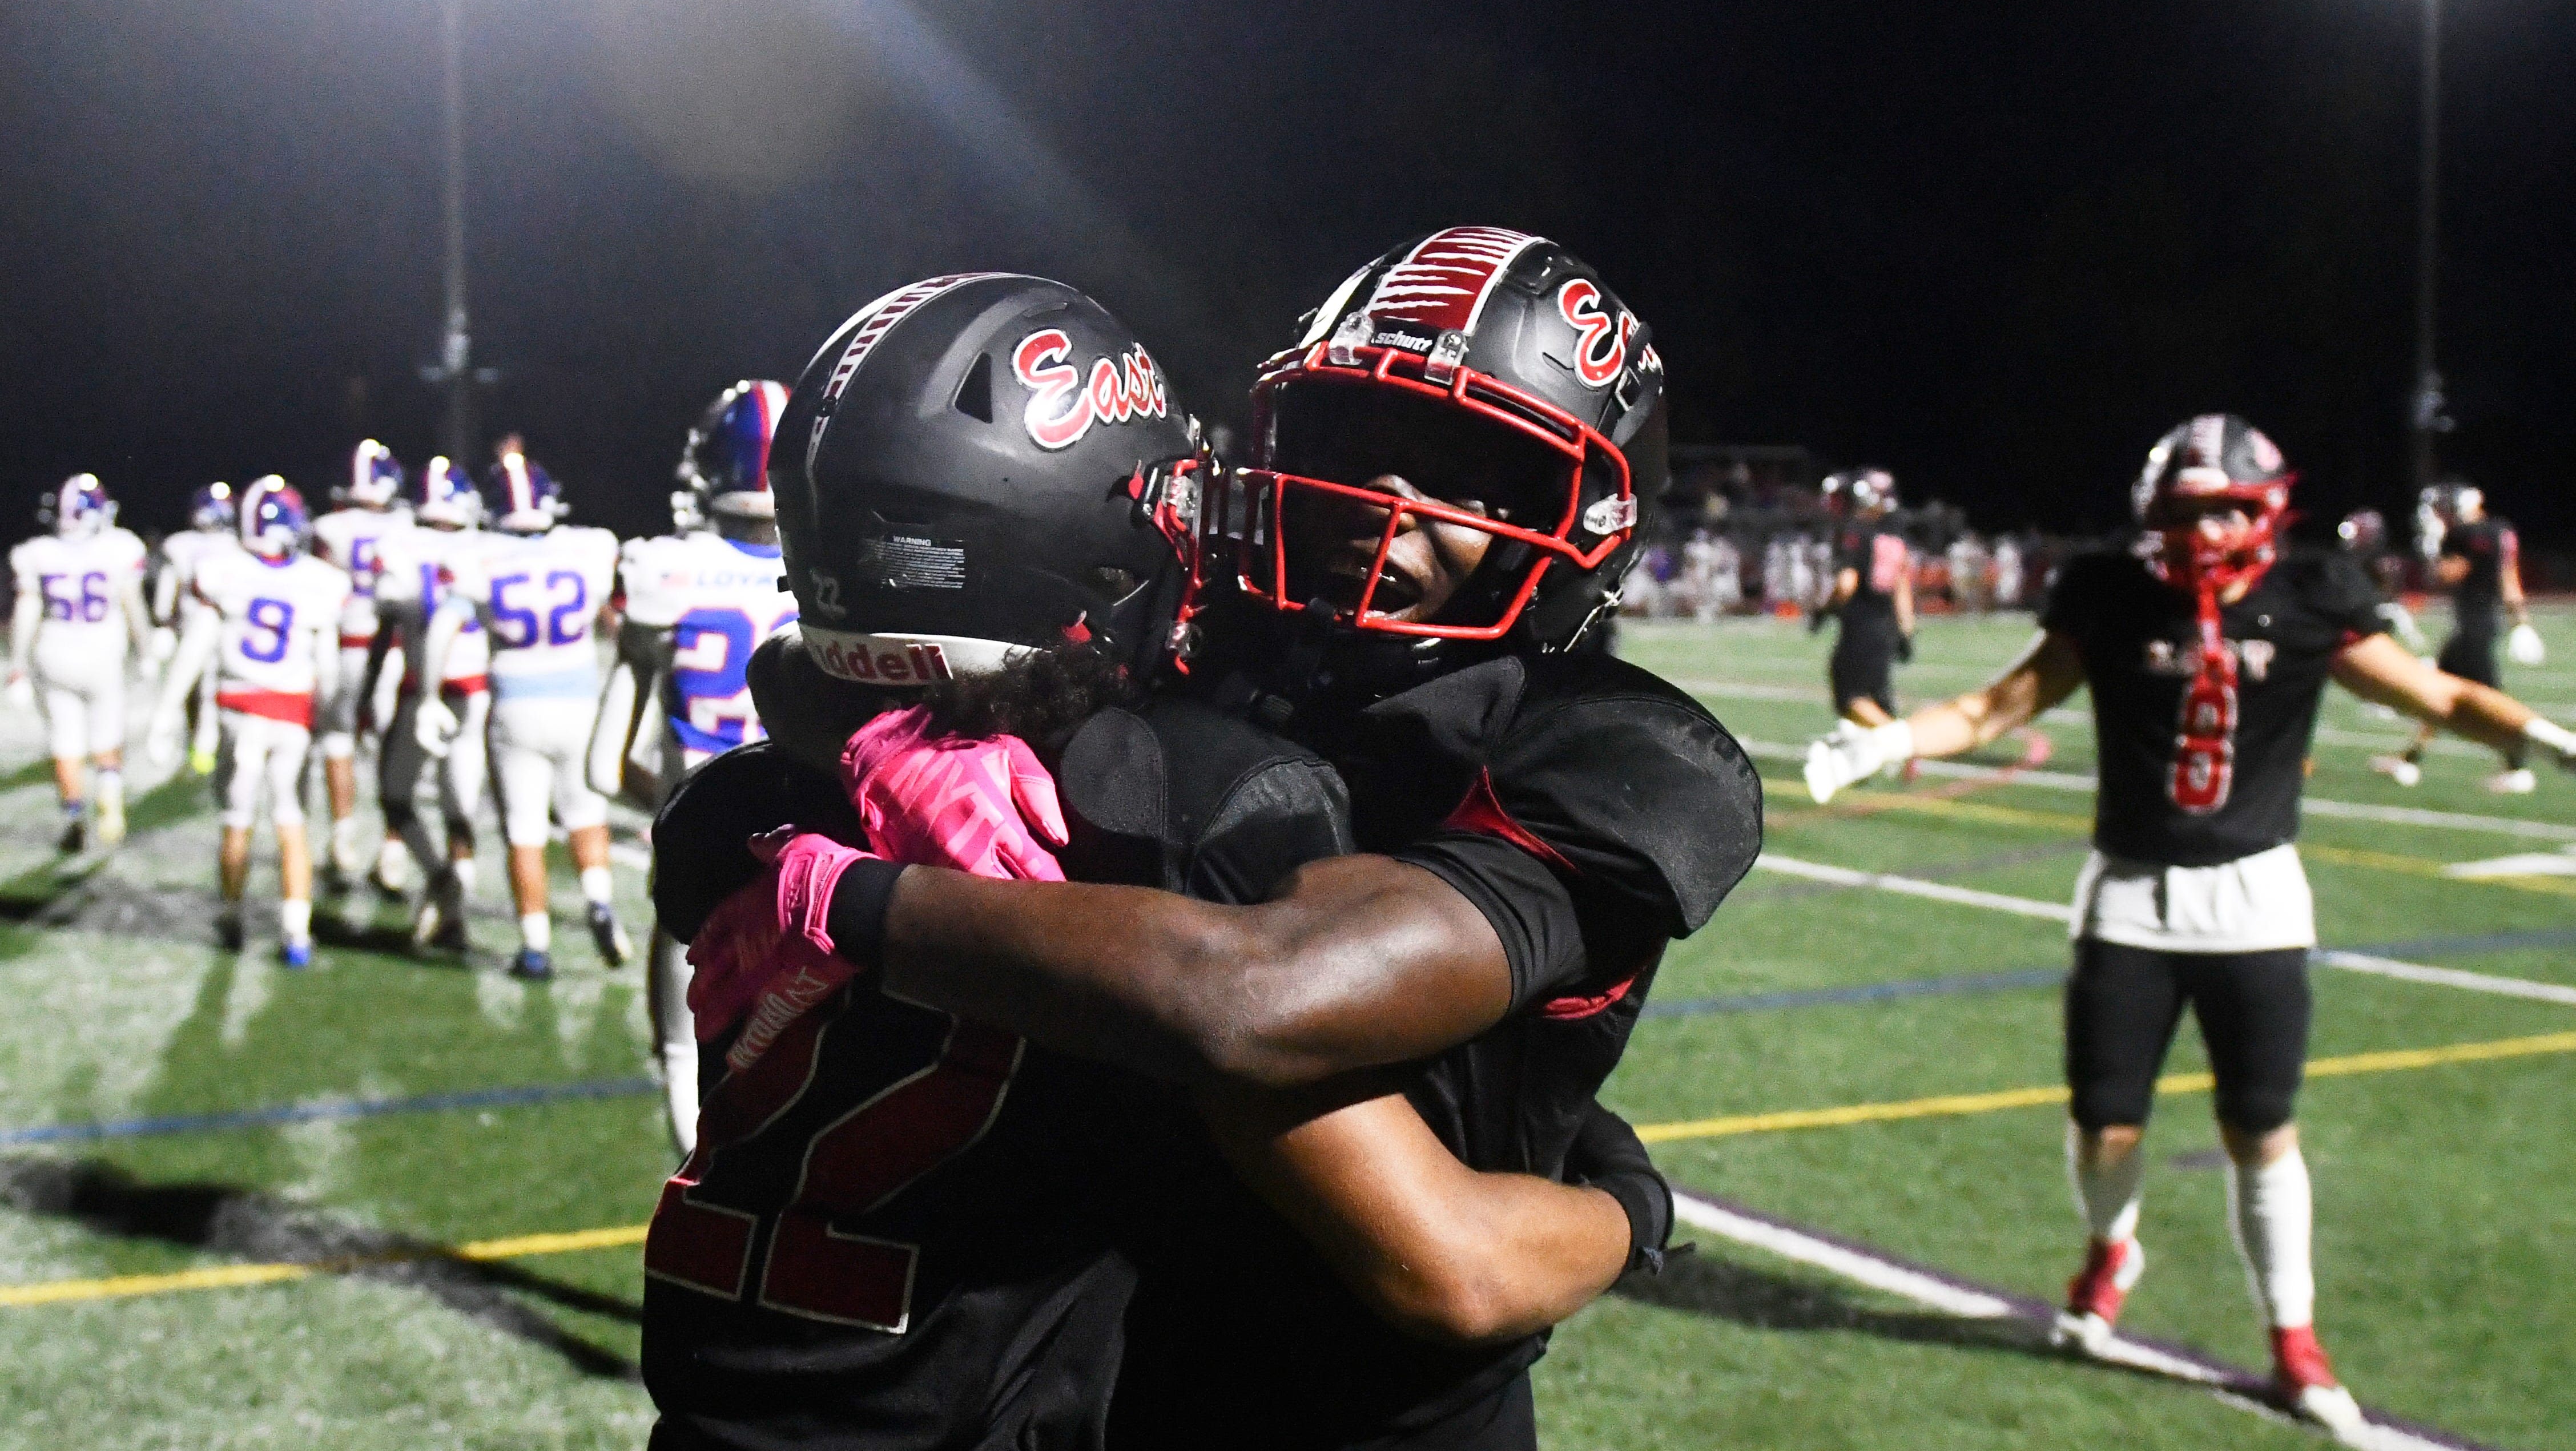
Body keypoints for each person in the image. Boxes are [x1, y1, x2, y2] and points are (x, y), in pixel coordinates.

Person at [678, 233, 1756, 1447]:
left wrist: (847, 888)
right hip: (1123, 1377)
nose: (1384, 502)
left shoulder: (1621, 754)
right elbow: (837, 656)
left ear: (1591, 515)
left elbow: (1267, 1012)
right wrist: (895, 736)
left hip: (1370, 1413)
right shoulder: (1223, 646)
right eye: (1356, 441)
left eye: (1464, 471)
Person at [1800, 414, 2576, 1433]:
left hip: (2255, 899)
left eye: (2224, 510)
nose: (2205, 532)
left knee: (2260, 1131)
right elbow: (2001, 704)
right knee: (2103, 1124)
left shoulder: (2309, 594)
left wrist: (2553, 740)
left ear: (2264, 511)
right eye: (2184, 513)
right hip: (2128, 893)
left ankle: (2293, 1338)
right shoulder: (2109, 592)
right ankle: (2109, 1249)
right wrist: (1889, 741)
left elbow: (2431, 689)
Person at [593, 380, 798, 1155]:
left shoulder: (662, 571)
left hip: (702, 852)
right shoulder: (827, 574)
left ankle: (704, 1195)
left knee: (685, 1055)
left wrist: (679, 798)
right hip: (812, 854)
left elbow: (602, 766)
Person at [417, 454, 626, 978]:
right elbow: (613, 617)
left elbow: (444, 626)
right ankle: (599, 901)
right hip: (579, 699)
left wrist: (427, 695)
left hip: (515, 700)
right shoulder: (589, 545)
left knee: (524, 829)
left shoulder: (477, 556)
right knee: (586, 813)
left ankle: (536, 947)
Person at [149, 479, 352, 965]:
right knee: (292, 820)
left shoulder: (224, 573)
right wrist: (330, 717)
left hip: (239, 712)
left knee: (237, 819)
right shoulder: (320, 580)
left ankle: (232, 914)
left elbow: (196, 648)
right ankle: (296, 932)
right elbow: (328, 667)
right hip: (291, 714)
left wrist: (165, 712)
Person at [368, 458, 493, 920]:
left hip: (419, 689)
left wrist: (367, 691)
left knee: (395, 797)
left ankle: (440, 880)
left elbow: (388, 627)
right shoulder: (485, 547)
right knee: (459, 805)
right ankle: (453, 907)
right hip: (477, 690)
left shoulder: (399, 544)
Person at [8, 475, 155, 850]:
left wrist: (18, 665)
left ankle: (74, 815)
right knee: (107, 731)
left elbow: (27, 611)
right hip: (103, 652)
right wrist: (147, 648)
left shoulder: (37, 552)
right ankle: (109, 787)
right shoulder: (120, 547)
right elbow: (132, 604)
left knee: (65, 739)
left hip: (54, 653)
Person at [2370, 478, 2545, 792]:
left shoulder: (2467, 535)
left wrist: (2432, 546)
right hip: (2483, 623)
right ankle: (2410, 760)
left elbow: (2446, 575)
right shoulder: (2500, 530)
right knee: (2437, 696)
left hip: (2473, 627)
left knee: (2490, 704)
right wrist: (2521, 622)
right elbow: (2509, 577)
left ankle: (2518, 768)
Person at [309, 440, 410, 889]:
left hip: (346, 647)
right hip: (394, 652)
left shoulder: (330, 527)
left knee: (338, 741)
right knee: (395, 754)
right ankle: (393, 847)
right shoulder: (409, 526)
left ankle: (342, 837)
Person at [1810, 467, 1914, 728]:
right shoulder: (1893, 534)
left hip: (1862, 624)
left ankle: (1901, 741)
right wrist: (1906, 632)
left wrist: (1825, 610)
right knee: (1879, 697)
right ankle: (1882, 746)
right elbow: (1902, 587)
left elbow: (1847, 584)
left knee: (1849, 696)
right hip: (1887, 625)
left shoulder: (1856, 532)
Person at [150, 482, 236, 773]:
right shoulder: (186, 545)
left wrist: (162, 621)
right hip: (201, 625)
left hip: (218, 626)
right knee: (193, 690)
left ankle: (201, 750)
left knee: (204, 688)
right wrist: (163, 623)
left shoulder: (232, 544)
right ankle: (194, 745)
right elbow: (169, 585)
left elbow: (167, 586)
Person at [2335, 507, 2425, 652]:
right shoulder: (2344, 563)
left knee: (2396, 614)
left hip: (2373, 611)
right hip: (2353, 612)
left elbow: (2388, 596)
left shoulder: (2383, 565)